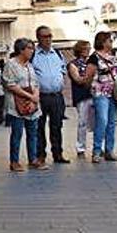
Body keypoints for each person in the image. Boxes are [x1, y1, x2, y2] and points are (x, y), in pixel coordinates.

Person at [3, 39, 47, 172]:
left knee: (33, 133)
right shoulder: (11, 64)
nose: (32, 51)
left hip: (32, 104)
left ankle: (32, 159)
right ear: (21, 50)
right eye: (29, 48)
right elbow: (10, 84)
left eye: (33, 48)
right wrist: (30, 96)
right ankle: (14, 161)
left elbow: (36, 83)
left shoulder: (29, 66)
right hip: (17, 104)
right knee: (17, 133)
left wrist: (35, 98)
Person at [83, 32, 117, 163]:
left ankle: (109, 150)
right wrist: (89, 88)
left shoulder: (112, 57)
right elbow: (88, 76)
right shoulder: (94, 58)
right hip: (100, 93)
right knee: (102, 121)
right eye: (109, 40)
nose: (111, 43)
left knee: (112, 122)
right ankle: (96, 151)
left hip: (113, 93)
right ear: (102, 42)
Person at [31, 25, 71, 164]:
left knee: (57, 126)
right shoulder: (33, 55)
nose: (48, 39)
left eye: (50, 36)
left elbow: (63, 71)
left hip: (56, 96)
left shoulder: (58, 54)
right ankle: (40, 155)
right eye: (45, 36)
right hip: (40, 96)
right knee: (39, 126)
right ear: (38, 38)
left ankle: (58, 154)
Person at [67, 40, 94, 159]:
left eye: (89, 48)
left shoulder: (91, 62)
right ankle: (80, 148)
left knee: (97, 122)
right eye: (85, 48)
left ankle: (99, 147)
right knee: (83, 122)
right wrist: (90, 77)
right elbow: (77, 79)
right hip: (81, 95)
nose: (88, 50)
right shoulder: (73, 64)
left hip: (94, 94)